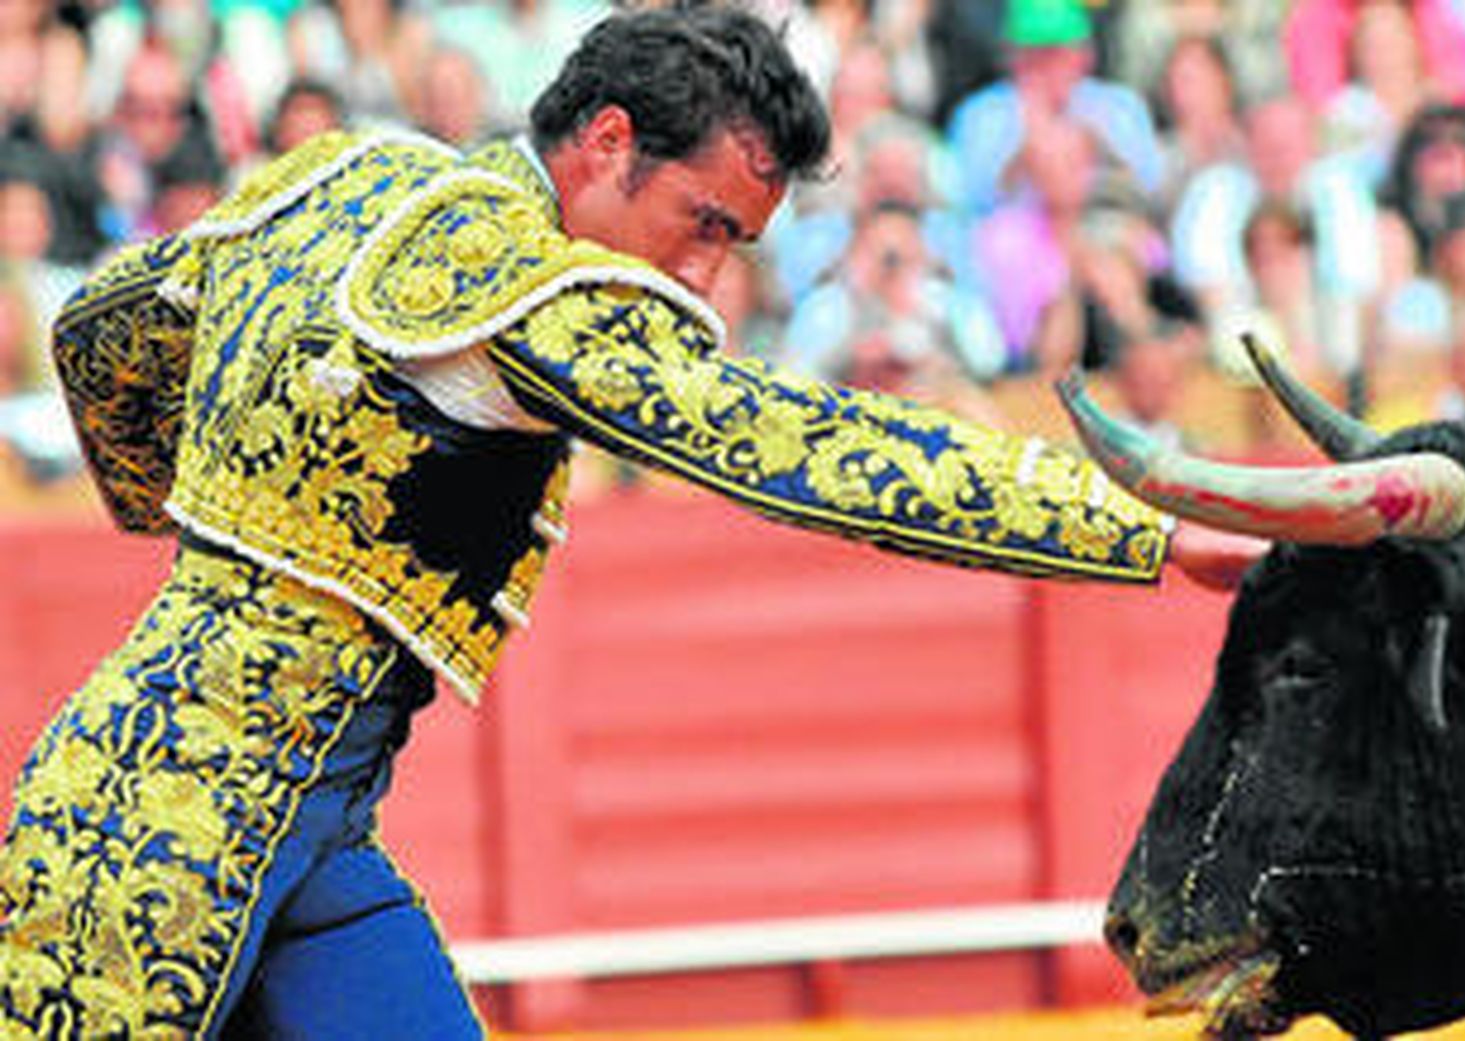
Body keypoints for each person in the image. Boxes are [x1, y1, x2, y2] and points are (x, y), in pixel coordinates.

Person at [0, 7, 1260, 1039]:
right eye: (703, 224)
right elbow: (799, 444)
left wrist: (197, 517)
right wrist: (1138, 526)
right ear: (607, 143)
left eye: (737, 245)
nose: (704, 274)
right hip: (161, 860)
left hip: (249, 818)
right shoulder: (530, 293)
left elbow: (108, 325)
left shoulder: (352, 176)